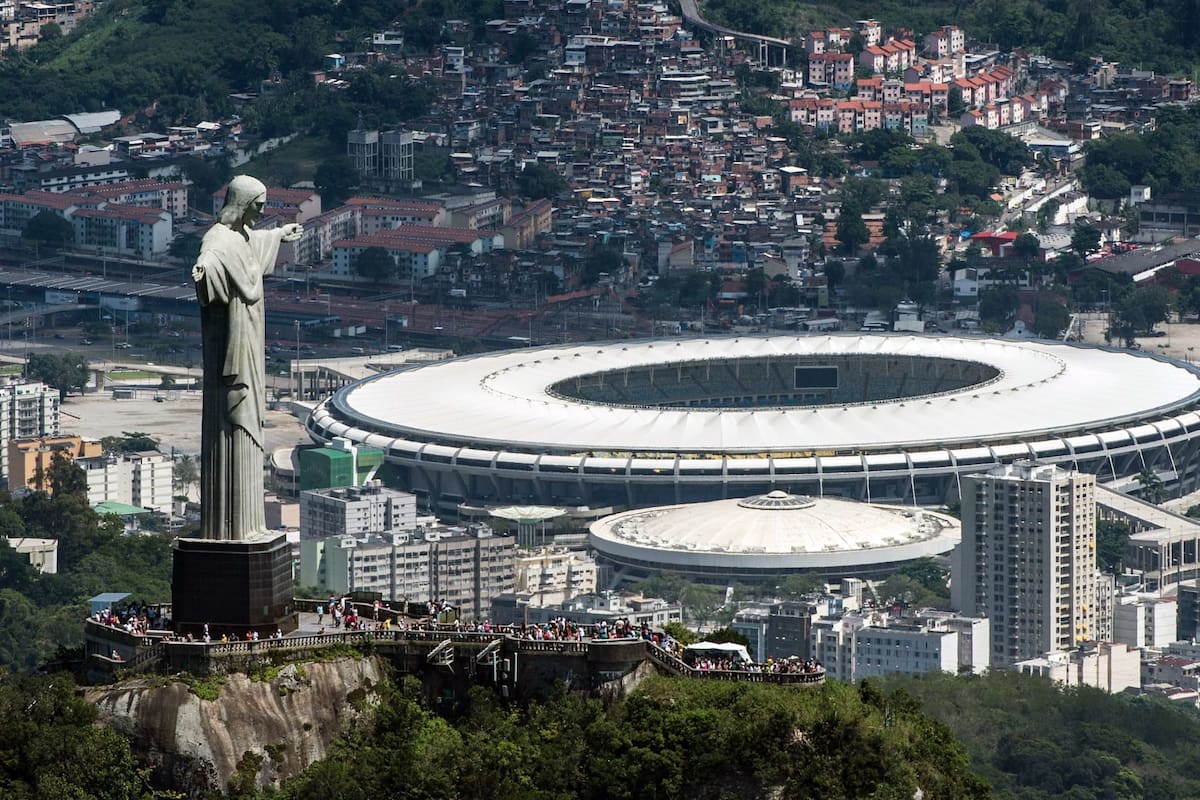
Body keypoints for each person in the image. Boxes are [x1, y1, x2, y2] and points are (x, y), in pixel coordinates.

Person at [193, 175, 303, 541]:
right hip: (233, 341)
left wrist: (279, 235)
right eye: (258, 205)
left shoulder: (241, 235)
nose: (261, 211)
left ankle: (249, 525)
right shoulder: (218, 238)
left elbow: (252, 242)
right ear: (242, 203)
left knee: (251, 421)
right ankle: (230, 529)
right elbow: (210, 256)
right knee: (232, 423)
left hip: (251, 336)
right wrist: (204, 271)